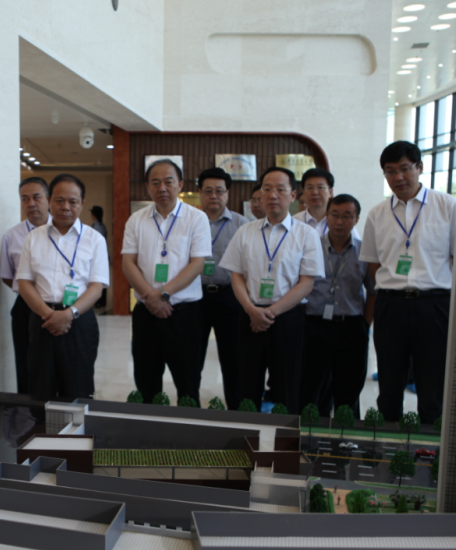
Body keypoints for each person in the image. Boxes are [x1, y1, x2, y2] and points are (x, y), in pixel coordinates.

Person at [360, 140, 456, 425]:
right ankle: (388, 439)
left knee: (432, 382)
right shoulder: (377, 214)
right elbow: (373, 263)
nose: (398, 177)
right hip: (391, 305)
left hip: (435, 304)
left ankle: (430, 442)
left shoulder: (447, 206)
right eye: (390, 171)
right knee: (390, 381)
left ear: (420, 167)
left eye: (404, 168)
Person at [219, 167, 324, 414]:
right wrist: (251, 310)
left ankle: (285, 434)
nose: (272, 195)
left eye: (280, 189)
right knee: (247, 384)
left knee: (287, 385)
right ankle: (247, 432)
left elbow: (306, 283)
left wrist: (270, 313)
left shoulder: (306, 234)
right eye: (267, 189)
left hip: (287, 318)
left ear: (293, 195)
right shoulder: (245, 231)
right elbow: (236, 275)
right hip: (249, 316)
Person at [122, 159, 211, 407]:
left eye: (168, 182)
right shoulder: (136, 220)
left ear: (180, 185)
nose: (162, 188)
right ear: (147, 187)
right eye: (155, 182)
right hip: (146, 313)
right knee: (146, 381)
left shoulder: (196, 218)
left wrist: (162, 294)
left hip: (185, 314)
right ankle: (150, 426)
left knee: (188, 382)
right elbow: (128, 263)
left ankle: (187, 427)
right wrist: (151, 298)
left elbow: (197, 264)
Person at [16, 174, 108, 398]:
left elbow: (97, 287)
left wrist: (69, 314)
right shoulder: (33, 238)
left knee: (77, 389)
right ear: (49, 200)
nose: (65, 207)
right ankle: (40, 422)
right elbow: (25, 282)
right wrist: (48, 315)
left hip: (79, 320)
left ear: (82, 204)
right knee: (40, 388)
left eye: (73, 201)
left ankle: (75, 424)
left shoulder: (95, 239)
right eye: (59, 200)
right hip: (42, 319)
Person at [301, 194, 375, 419]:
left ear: (356, 219)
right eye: (335, 215)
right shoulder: (310, 247)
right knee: (309, 388)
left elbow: (373, 291)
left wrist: (364, 325)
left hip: (351, 328)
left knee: (348, 391)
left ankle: (345, 435)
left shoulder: (365, 251)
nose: (340, 221)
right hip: (314, 326)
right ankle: (309, 433)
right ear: (327, 216)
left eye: (347, 216)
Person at [197, 167, 249, 410]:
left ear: (228, 193)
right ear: (200, 193)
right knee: (192, 356)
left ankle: (235, 410)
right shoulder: (190, 222)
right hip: (195, 296)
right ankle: (190, 407)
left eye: (219, 191)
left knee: (233, 359)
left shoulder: (242, 224)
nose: (214, 196)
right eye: (208, 191)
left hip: (230, 297)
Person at [0, 177, 51, 393]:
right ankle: (28, 410)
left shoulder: (64, 230)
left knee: (57, 364)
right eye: (25, 199)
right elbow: (7, 275)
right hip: (25, 309)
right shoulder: (12, 236)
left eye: (36, 197)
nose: (31, 203)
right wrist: (29, 293)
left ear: (48, 199)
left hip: (58, 307)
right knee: (26, 364)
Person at [293, 168, 334, 236]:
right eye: (310, 188)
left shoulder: (339, 222)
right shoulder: (294, 222)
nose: (315, 192)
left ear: (330, 192)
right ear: (303, 192)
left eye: (320, 187)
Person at [90, 205, 109, 309]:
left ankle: (99, 302)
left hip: (98, 256)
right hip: (98, 256)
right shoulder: (98, 225)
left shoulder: (98, 227)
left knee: (99, 279)